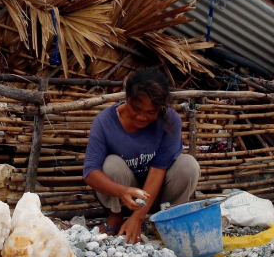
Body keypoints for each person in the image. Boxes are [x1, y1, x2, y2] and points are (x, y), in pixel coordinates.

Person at [82, 66, 200, 244]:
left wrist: (138, 217)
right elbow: (90, 173)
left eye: (151, 112)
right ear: (127, 98)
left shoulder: (169, 120)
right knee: (112, 164)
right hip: (126, 197)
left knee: (188, 165)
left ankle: (170, 218)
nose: (142, 117)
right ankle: (116, 218)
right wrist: (122, 191)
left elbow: (157, 170)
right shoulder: (105, 121)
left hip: (158, 194)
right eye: (136, 109)